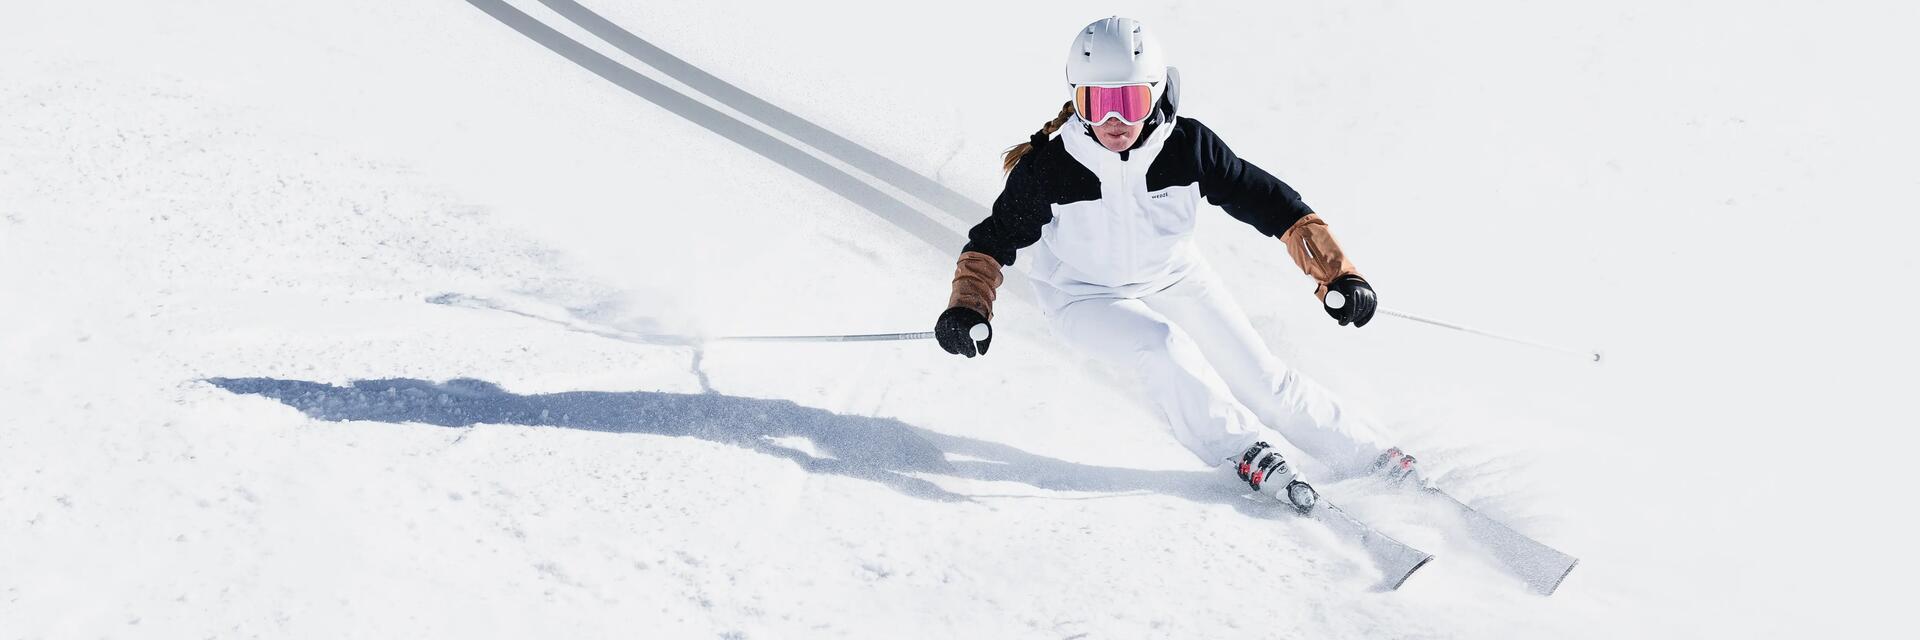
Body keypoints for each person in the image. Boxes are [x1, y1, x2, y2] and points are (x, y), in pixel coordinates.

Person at [932, 16, 1417, 510]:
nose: (1113, 122)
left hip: (1174, 277)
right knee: (1160, 346)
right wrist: (968, 307)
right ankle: (1241, 450)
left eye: (1130, 102)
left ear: (1157, 93)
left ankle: (1367, 453)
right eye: (1096, 104)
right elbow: (992, 242)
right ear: (1076, 101)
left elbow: (1274, 204)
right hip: (1082, 294)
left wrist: (1339, 273)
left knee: (1264, 380)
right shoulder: (1050, 168)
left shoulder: (1187, 148)